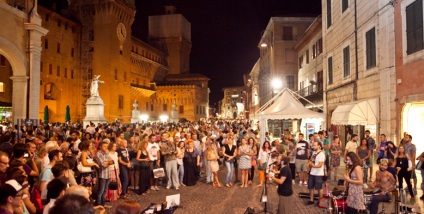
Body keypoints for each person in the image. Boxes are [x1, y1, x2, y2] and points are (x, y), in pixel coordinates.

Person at [94, 141, 114, 207]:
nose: (106, 148)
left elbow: (112, 161)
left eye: (106, 146)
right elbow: (103, 165)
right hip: (102, 174)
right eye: (104, 146)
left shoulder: (106, 153)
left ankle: (103, 203)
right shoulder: (98, 154)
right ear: (100, 147)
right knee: (101, 190)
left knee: (105, 190)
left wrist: (108, 162)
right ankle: (99, 204)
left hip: (107, 174)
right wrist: (109, 162)